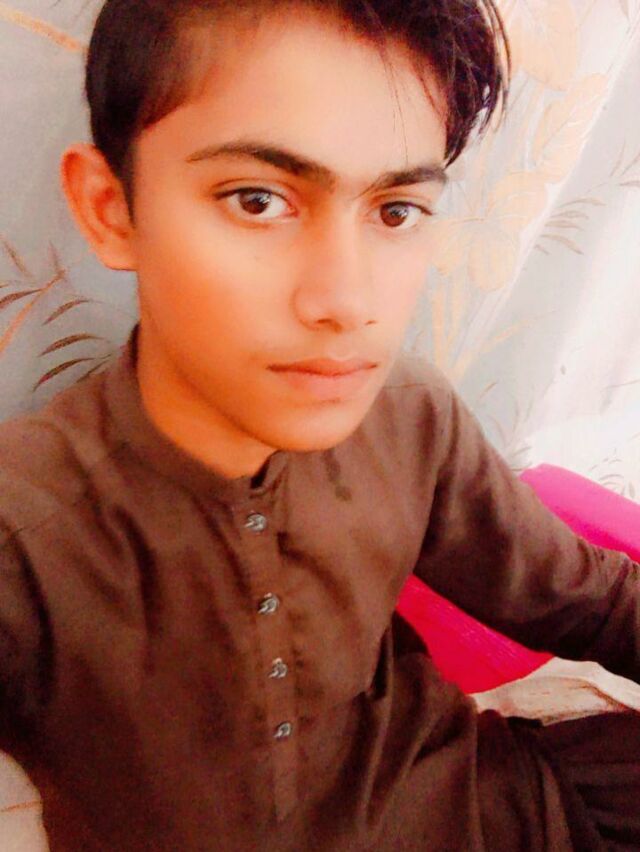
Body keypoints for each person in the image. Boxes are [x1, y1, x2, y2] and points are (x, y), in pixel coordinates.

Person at [0, 0, 638, 849]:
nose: (347, 301)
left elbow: (588, 601)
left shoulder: (409, 416)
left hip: (505, 811)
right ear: (111, 209)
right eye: (258, 200)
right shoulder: (25, 533)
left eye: (395, 211)